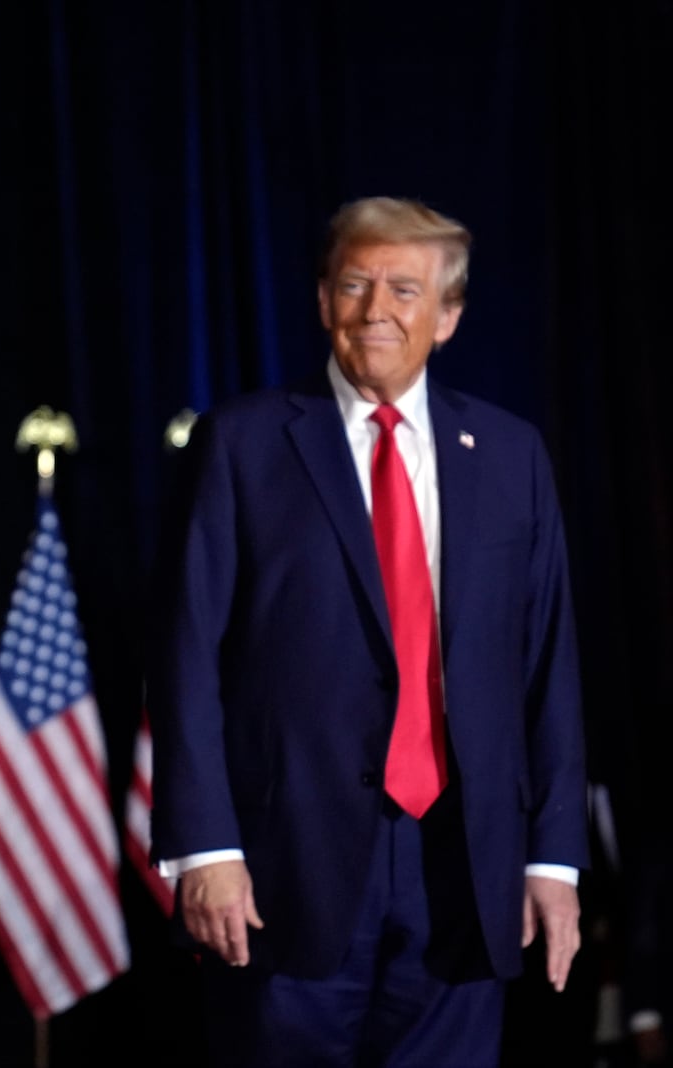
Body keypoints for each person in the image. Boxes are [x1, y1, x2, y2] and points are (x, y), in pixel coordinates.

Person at [148, 196, 588, 1066]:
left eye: (403, 290)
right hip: (284, 872)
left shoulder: (509, 454)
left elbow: (548, 667)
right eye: (354, 284)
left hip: (465, 867)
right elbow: (187, 654)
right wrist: (205, 847)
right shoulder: (243, 443)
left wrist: (555, 863)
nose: (375, 309)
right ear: (322, 301)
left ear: (448, 316)